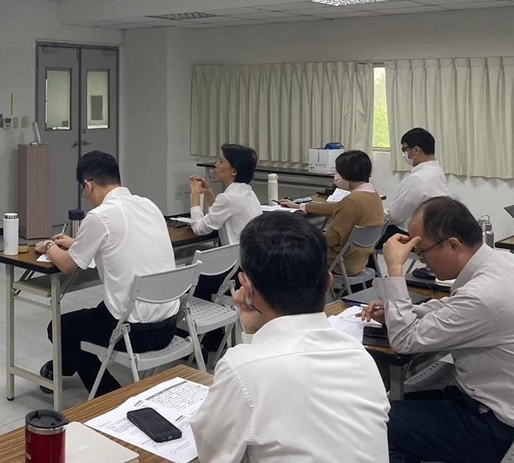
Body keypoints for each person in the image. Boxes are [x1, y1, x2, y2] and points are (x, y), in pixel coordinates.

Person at [192, 213, 389, 462]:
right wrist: (254, 334)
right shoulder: (360, 356)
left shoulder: (241, 369)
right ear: (328, 282)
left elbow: (212, 454)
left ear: (247, 287)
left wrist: (251, 334)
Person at [362, 197, 514, 463]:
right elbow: (453, 308)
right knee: (392, 406)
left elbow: (404, 341)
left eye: (422, 252)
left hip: (493, 427)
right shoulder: (501, 262)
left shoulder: (482, 296)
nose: (422, 261)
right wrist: (398, 312)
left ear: (453, 244)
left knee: (375, 424)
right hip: (488, 401)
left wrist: (395, 269)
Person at [34, 151, 178, 397]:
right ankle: (63, 367)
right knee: (90, 318)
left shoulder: (99, 216)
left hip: (132, 333)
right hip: (168, 326)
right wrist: (77, 244)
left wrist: (48, 246)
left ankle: (109, 395)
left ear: (88, 184)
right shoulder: (148, 205)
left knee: (59, 327)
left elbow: (67, 265)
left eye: (84, 190)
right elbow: (123, 243)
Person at [280, 149, 384, 276]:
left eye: (338, 172)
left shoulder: (352, 201)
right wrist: (300, 206)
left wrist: (305, 237)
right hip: (359, 260)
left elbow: (331, 238)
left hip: (341, 263)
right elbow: (338, 207)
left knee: (291, 251)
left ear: (348, 173)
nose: (336, 176)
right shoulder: (372, 195)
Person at [188, 143, 262, 246]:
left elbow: (199, 229)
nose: (216, 165)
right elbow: (218, 214)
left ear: (234, 171)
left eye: (221, 161)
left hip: (236, 254)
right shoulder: (247, 191)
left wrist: (195, 194)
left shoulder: (228, 198)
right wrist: (208, 192)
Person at [384, 127, 448, 238]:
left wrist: (375, 216)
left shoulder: (417, 178)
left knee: (371, 238)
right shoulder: (437, 171)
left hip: (410, 234)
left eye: (404, 149)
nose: (404, 154)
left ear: (415, 150)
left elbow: (394, 216)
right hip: (433, 230)